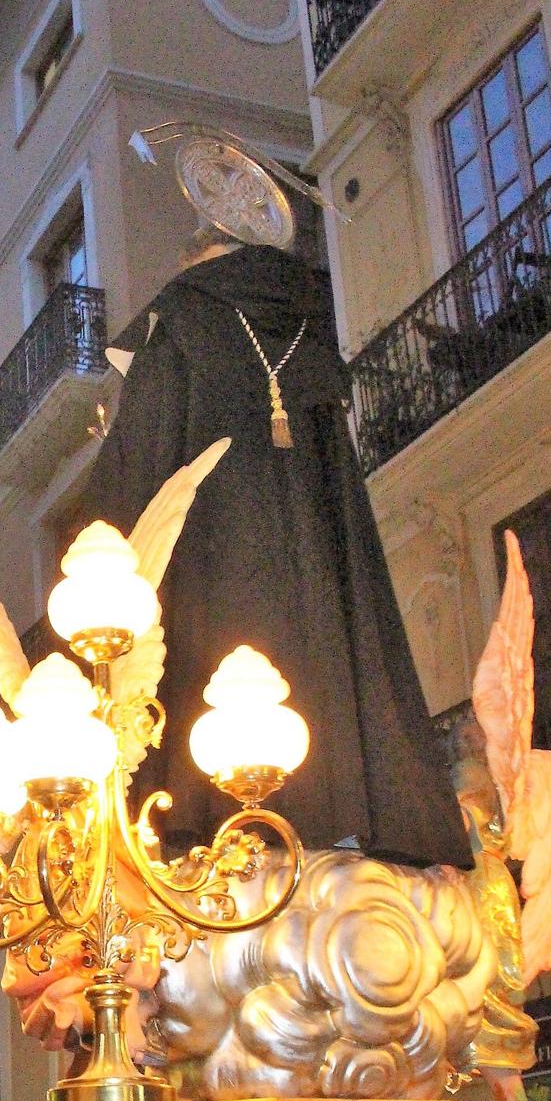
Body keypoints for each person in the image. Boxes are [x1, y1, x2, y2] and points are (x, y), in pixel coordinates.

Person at [83, 234, 471, 870]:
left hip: (214, 551)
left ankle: (211, 835)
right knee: (327, 656)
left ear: (196, 267)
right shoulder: (309, 323)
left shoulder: (180, 319)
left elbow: (134, 476)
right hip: (313, 556)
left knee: (205, 669)